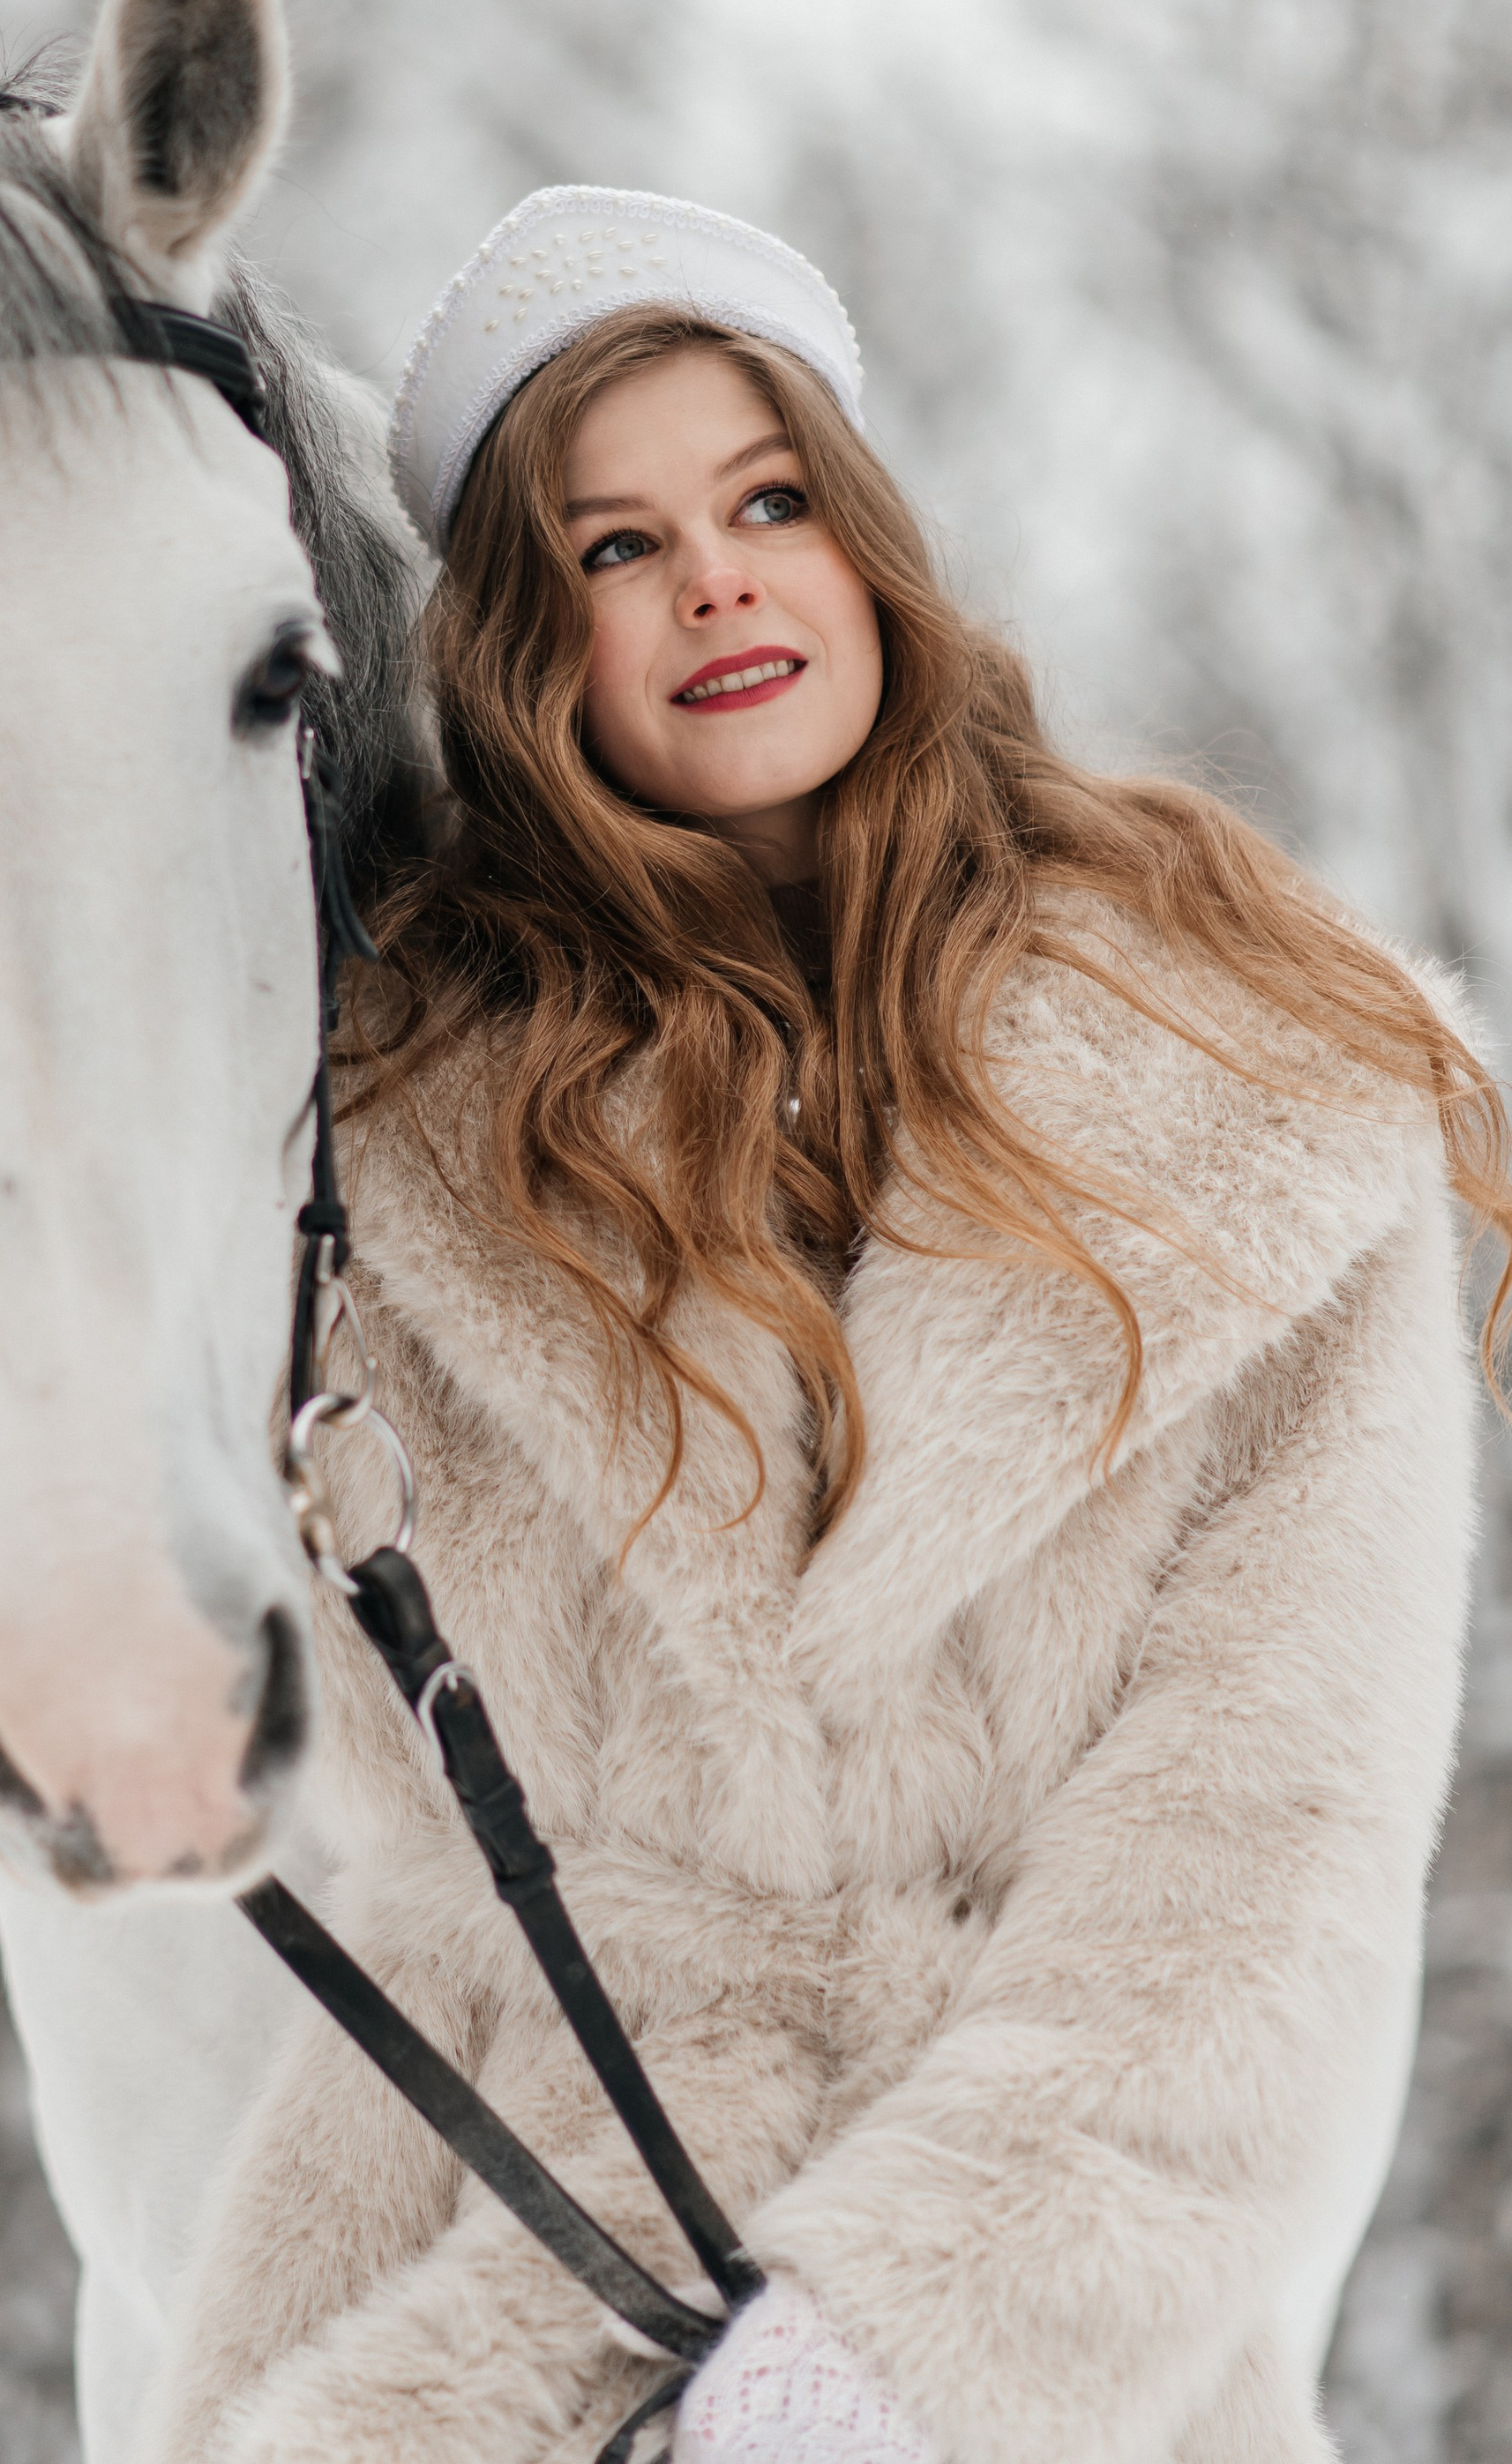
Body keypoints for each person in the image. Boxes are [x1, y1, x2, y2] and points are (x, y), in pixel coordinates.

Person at [151, 186, 1508, 2464]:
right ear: (515, 643)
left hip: (1044, 2358)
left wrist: (880, 2359)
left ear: (867, 538)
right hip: (463, 2296)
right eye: (613, 547)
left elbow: (1268, 1852)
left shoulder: (1261, 1095)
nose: (715, 580)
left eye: (768, 498)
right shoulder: (360, 1135)